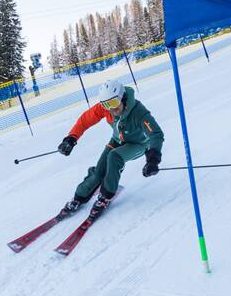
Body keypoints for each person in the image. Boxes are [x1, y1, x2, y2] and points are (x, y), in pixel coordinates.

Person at [57, 79, 164, 215]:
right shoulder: (108, 109)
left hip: (138, 144)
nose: (112, 109)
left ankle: (106, 196)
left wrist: (153, 159)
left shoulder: (138, 111)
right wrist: (71, 138)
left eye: (113, 103)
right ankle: (79, 197)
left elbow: (156, 134)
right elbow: (85, 120)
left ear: (123, 97)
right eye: (106, 105)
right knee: (99, 171)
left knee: (114, 157)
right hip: (117, 140)